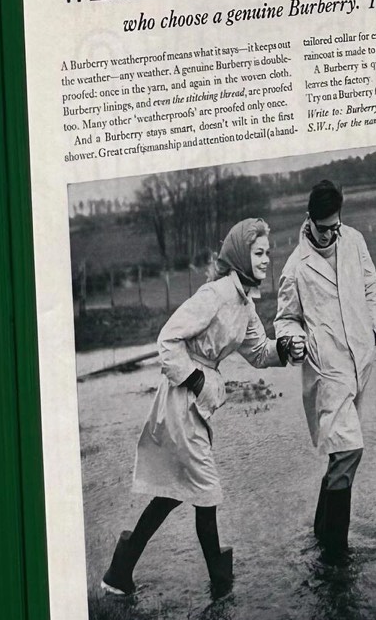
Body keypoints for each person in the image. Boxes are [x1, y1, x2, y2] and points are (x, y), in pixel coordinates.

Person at [101, 219, 302, 600]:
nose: (266, 260)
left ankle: (120, 571)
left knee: (177, 490)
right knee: (206, 491)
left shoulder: (244, 303)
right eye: (259, 253)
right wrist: (195, 380)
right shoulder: (214, 296)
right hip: (181, 400)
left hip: (196, 403)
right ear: (241, 255)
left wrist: (284, 348)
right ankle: (221, 585)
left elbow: (260, 352)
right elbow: (167, 340)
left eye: (268, 253)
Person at [275, 178, 376, 559]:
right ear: (309, 220)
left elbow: (371, 286)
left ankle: (321, 535)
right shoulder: (295, 268)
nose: (331, 235)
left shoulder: (354, 241)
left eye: (336, 226)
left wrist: (373, 329)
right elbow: (285, 319)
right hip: (327, 370)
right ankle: (337, 554)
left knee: (340, 454)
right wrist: (293, 340)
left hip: (359, 360)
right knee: (349, 449)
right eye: (324, 229)